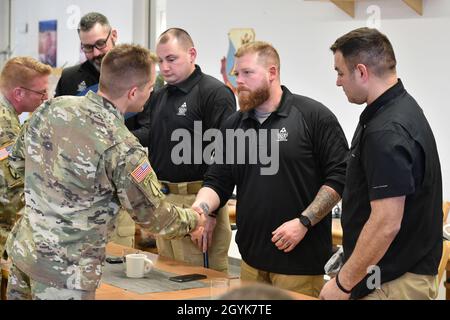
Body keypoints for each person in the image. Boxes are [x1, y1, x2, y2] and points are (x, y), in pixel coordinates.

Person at [5, 44, 205, 300]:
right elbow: (155, 218)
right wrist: (194, 219)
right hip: (66, 274)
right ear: (133, 92)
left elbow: (16, 165)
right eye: (149, 87)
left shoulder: (52, 108)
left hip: (24, 255)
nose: (151, 93)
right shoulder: (123, 147)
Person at [192, 41, 348, 297]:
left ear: (272, 73)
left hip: (299, 264)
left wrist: (304, 221)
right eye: (236, 74)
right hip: (251, 261)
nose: (238, 81)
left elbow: (340, 176)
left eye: (247, 73)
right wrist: (200, 210)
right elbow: (217, 180)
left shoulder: (313, 116)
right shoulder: (234, 124)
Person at [320, 27, 442, 300]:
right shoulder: (396, 109)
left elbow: (386, 222)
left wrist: (342, 284)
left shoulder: (387, 130)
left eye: (340, 72)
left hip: (394, 282)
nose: (338, 82)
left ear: (361, 72)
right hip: (390, 275)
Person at [134, 28, 236, 273]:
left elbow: (227, 157)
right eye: (160, 60)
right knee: (166, 279)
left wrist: (209, 215)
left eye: (171, 59)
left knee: (199, 285)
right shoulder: (158, 97)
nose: (164, 67)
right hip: (165, 201)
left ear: (192, 54)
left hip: (199, 202)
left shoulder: (214, 94)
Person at [54, 12, 138, 248]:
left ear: (114, 35)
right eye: (88, 47)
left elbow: (150, 129)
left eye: (100, 43)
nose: (97, 53)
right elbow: (59, 128)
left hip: (120, 194)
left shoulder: (139, 75)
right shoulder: (71, 78)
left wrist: (106, 145)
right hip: (77, 196)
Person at [0, 57, 52, 299]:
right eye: (41, 92)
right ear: (19, 93)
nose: (46, 97)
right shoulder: (4, 124)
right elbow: (10, 192)